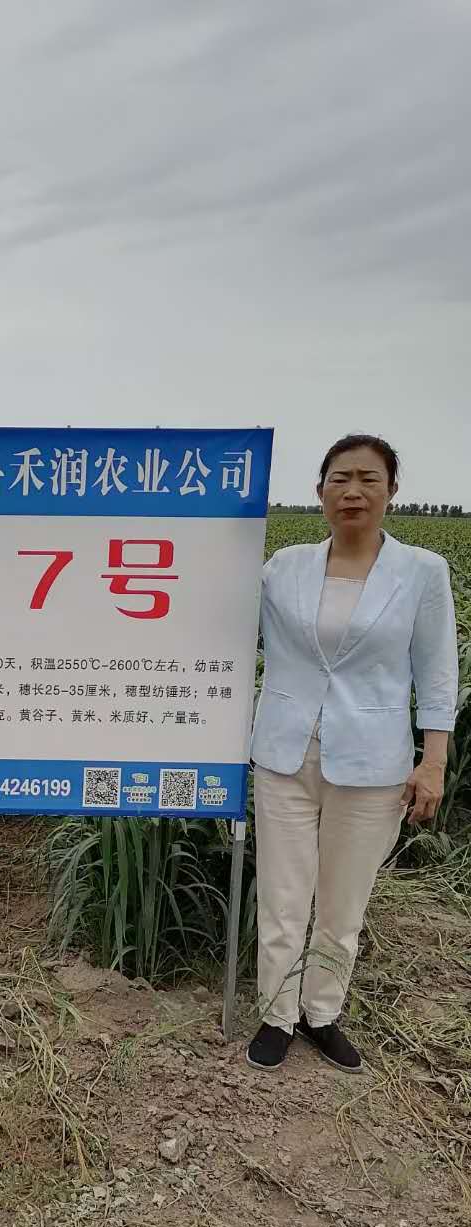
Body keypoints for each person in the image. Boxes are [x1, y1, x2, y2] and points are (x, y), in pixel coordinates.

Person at [247, 434, 458, 1073]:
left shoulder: (421, 573)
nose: (353, 491)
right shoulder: (284, 567)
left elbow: (437, 673)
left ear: (391, 491)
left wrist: (433, 761)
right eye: (340, 479)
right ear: (319, 492)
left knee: (343, 903)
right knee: (282, 895)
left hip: (372, 765)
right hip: (285, 755)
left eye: (369, 479)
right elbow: (226, 614)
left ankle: (322, 1013)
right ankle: (277, 1015)